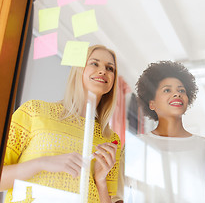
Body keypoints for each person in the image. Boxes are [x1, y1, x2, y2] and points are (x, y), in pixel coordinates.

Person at [0, 45, 121, 203]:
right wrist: (41, 163)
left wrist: (100, 181)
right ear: (79, 70)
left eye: (110, 68)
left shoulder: (110, 140)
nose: (103, 71)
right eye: (94, 63)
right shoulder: (34, 111)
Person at [124, 61, 205, 203]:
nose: (177, 94)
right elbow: (125, 195)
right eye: (167, 90)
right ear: (152, 103)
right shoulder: (138, 145)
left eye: (181, 90)